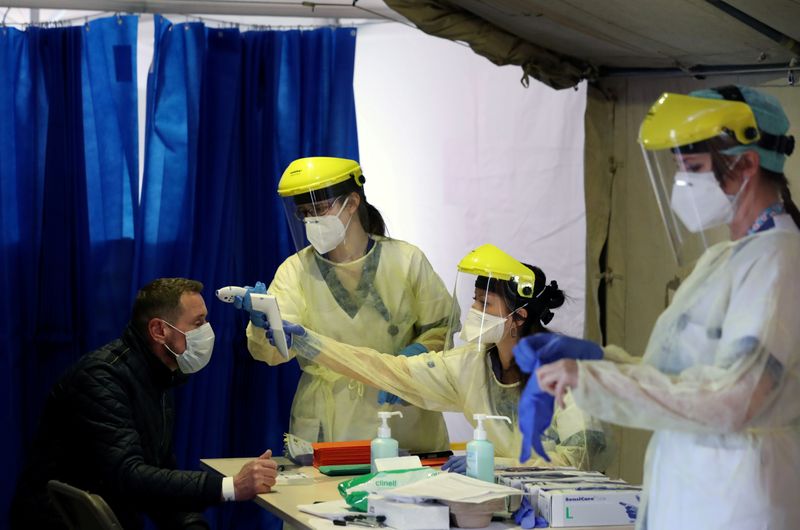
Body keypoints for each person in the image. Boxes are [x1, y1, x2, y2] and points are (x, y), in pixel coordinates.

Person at [526, 85, 800, 529]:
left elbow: (736, 398)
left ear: (748, 163)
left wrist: (598, 380)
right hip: (696, 491)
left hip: (739, 497)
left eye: (692, 168)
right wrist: (594, 360)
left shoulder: (779, 260)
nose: (682, 184)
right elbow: (678, 376)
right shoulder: (725, 258)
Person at [245, 244, 613, 471]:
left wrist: (499, 470)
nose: (474, 311)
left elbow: (582, 458)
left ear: (518, 317)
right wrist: (311, 343)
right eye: (474, 300)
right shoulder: (472, 364)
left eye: (485, 304)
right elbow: (390, 370)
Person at [10, 278, 279, 530]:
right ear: (159, 330)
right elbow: (129, 476)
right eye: (198, 323)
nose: (207, 332)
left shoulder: (158, 376)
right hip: (62, 521)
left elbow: (160, 479)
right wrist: (230, 486)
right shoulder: (101, 378)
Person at [242, 157, 451, 453]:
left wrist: (410, 361)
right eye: (304, 213)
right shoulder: (295, 270)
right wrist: (264, 325)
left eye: (319, 209)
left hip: (401, 416)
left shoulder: (406, 260)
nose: (311, 221)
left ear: (352, 203)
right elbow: (273, 353)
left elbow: (442, 328)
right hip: (329, 422)